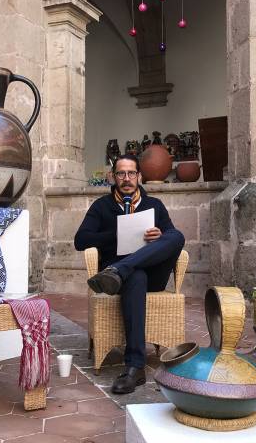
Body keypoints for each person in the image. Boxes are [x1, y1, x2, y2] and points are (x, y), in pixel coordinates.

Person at [74, 154, 185, 394]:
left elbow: (171, 238)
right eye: (121, 173)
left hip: (151, 273)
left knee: (176, 236)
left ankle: (121, 268)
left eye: (131, 173)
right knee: (135, 276)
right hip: (121, 281)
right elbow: (80, 240)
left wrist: (159, 237)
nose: (126, 178)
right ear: (113, 177)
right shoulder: (101, 206)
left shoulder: (155, 205)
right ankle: (135, 367)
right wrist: (118, 232)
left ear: (139, 176)